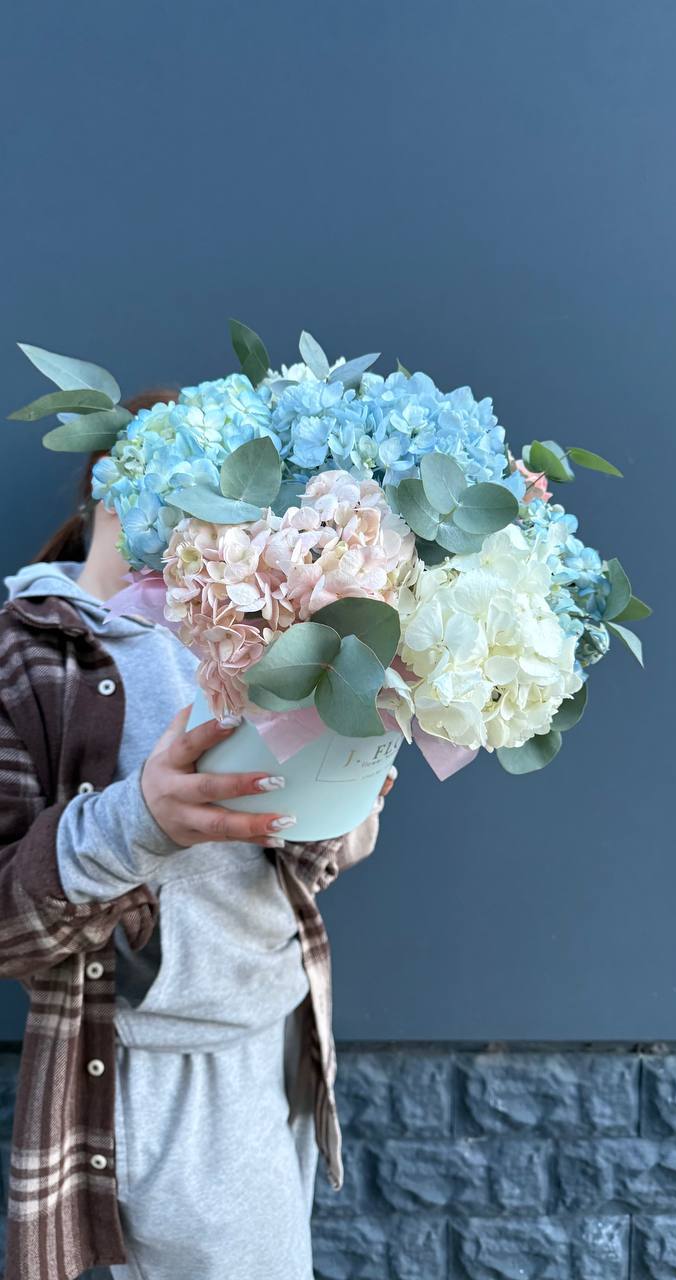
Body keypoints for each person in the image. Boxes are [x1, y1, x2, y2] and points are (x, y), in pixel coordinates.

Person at [0, 389, 395, 1280]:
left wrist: (344, 806)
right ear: (120, 480)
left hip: (278, 1041)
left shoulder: (252, 633)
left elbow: (292, 861)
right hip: (142, 1070)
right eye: (211, 480)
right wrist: (139, 823)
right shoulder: (22, 649)